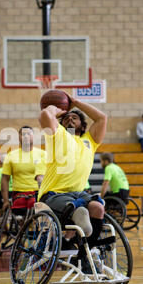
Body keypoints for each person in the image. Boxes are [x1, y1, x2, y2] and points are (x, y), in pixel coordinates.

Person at [38, 94, 107, 251]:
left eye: (74, 117)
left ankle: (86, 253)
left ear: (83, 126)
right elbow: (44, 115)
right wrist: (56, 109)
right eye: (66, 118)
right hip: (53, 195)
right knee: (78, 207)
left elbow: (102, 118)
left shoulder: (90, 141)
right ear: (60, 122)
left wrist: (76, 103)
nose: (70, 119)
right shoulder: (57, 135)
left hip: (78, 194)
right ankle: (78, 215)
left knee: (98, 207)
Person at [1, 126, 46, 213]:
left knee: (36, 205)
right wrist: (6, 200)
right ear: (19, 137)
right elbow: (5, 179)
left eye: (28, 134)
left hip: (38, 193)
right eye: (23, 134)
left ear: (33, 136)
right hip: (19, 194)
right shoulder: (11, 155)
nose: (26, 136)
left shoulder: (43, 154)